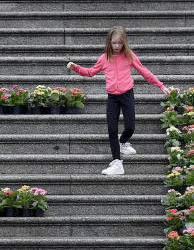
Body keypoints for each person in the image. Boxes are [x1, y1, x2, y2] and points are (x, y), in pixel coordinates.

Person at [67, 26, 169, 175]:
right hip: (112, 98)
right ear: (109, 42)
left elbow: (144, 72)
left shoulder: (129, 56)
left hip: (127, 94)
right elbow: (90, 72)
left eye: (119, 43)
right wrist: (76, 67)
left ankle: (123, 142)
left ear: (124, 43)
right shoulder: (104, 58)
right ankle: (117, 163)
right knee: (112, 129)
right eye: (114, 43)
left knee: (130, 127)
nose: (116, 46)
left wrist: (161, 86)